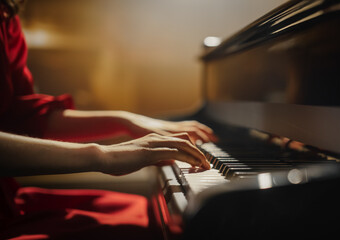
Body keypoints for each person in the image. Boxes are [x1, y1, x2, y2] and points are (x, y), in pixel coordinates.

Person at [0, 1, 215, 239]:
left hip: (10, 204)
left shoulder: (6, 11)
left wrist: (124, 121)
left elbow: (20, 118)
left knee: (152, 215)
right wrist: (102, 156)